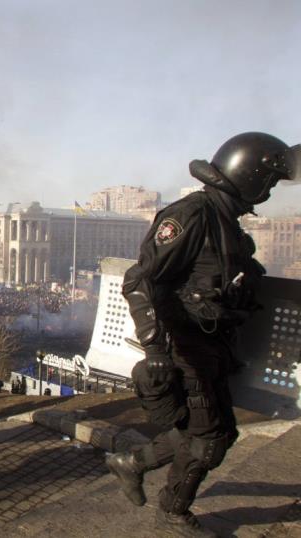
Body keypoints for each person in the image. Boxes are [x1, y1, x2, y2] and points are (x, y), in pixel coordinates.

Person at [106, 132, 300, 537]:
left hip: (212, 345)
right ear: (249, 176)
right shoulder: (193, 213)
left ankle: (131, 462)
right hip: (185, 346)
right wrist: (154, 349)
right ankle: (172, 512)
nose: (269, 192)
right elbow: (140, 280)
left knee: (215, 432)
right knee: (209, 439)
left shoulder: (226, 221)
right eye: (269, 182)